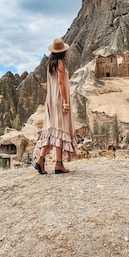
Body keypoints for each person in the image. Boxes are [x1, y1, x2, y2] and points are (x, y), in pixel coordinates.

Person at [35, 38, 77, 174]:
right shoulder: (60, 63)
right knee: (60, 129)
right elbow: (61, 83)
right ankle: (58, 163)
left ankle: (40, 160)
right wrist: (65, 101)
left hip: (51, 100)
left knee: (51, 129)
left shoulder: (50, 65)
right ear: (63, 52)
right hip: (59, 99)